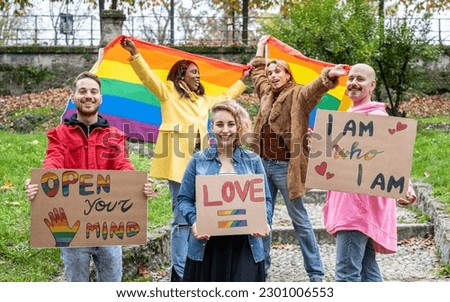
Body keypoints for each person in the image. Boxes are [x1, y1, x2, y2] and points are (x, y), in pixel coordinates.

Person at [120, 37, 249, 281]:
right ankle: (180, 273)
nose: (198, 76)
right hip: (178, 162)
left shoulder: (203, 100)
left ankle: (197, 265)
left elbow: (226, 97)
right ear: (181, 76)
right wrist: (136, 54)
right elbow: (147, 77)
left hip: (203, 162)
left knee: (202, 213)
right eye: (193, 72)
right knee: (181, 217)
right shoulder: (167, 92)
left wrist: (243, 81)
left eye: (198, 72)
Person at [25, 71, 155, 282]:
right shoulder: (59, 134)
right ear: (74, 97)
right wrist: (40, 181)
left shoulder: (114, 135)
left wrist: (136, 184)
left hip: (109, 225)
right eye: (82, 91)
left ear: (100, 98)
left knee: (112, 284)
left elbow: (122, 164)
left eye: (94, 91)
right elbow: (53, 162)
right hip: (72, 226)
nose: (88, 96)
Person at [248, 35, 348, 282]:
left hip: (285, 168)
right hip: (262, 165)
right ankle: (262, 268)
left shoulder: (298, 96)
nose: (272, 75)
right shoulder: (266, 94)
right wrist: (261, 49)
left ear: (288, 75)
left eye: (277, 71)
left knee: (300, 220)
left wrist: (328, 76)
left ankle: (315, 272)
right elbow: (257, 74)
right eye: (271, 71)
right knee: (262, 218)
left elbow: (315, 89)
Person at [322, 63, 417, 282]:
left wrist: (405, 186)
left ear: (372, 85)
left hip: (357, 207)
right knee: (366, 270)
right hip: (351, 203)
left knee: (346, 274)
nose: (354, 82)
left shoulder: (376, 117)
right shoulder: (346, 115)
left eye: (360, 79)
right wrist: (319, 144)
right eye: (351, 78)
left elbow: (393, 154)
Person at [177, 100, 272, 281]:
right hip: (208, 246)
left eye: (230, 124)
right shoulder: (198, 160)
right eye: (219, 124)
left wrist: (264, 221)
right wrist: (195, 221)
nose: (225, 130)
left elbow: (265, 199)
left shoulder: (253, 160)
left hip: (245, 244)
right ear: (212, 127)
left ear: (238, 127)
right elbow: (184, 199)